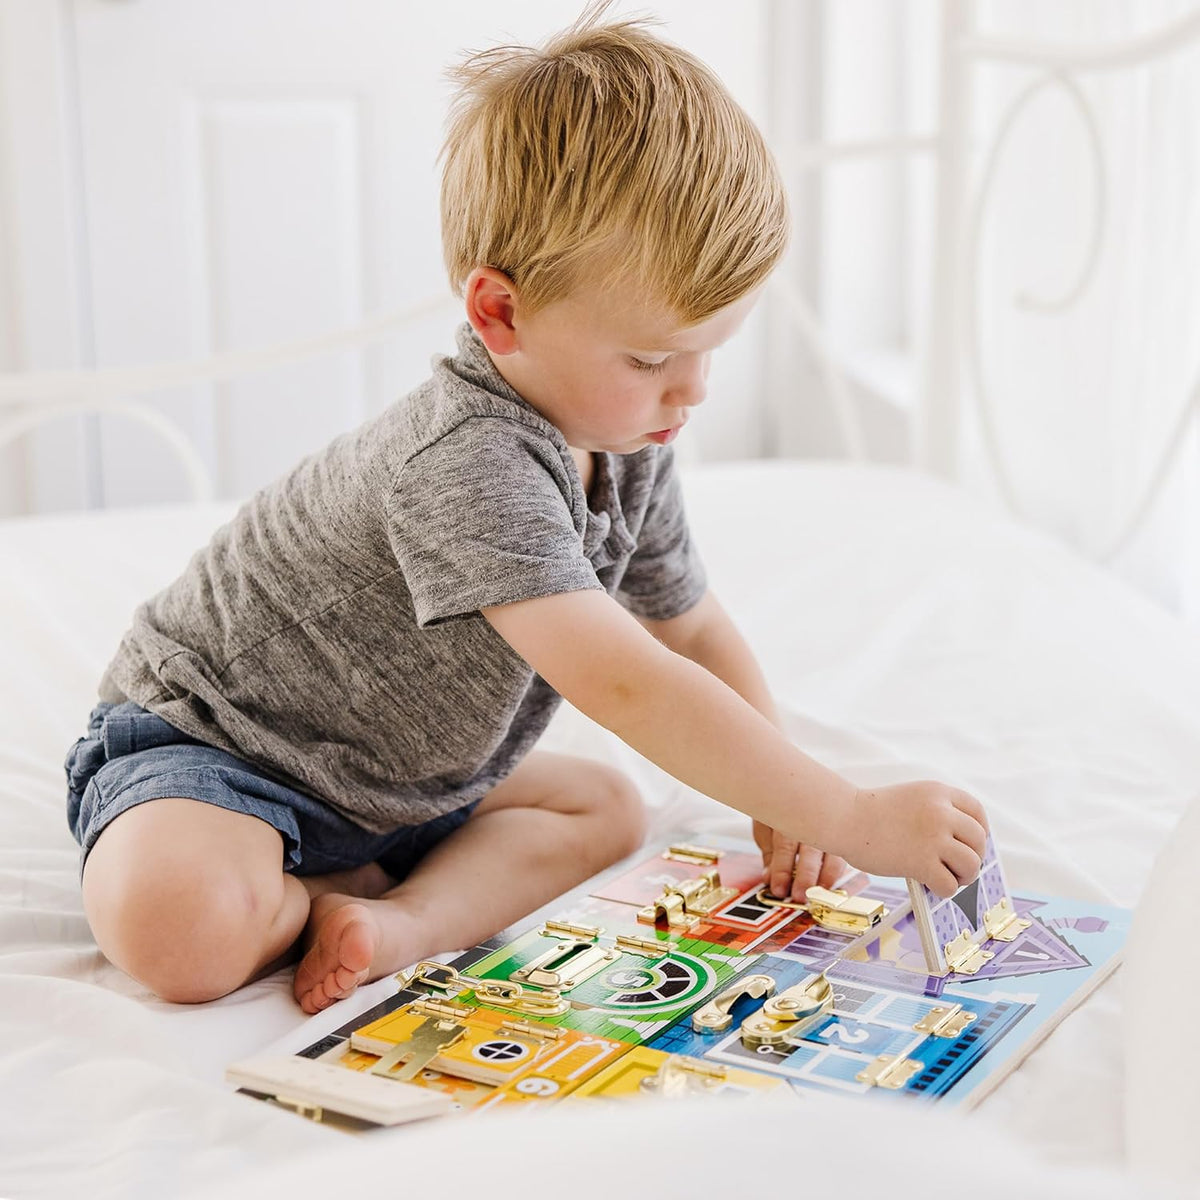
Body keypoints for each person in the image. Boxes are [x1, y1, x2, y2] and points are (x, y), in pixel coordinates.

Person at [64, 4, 988, 1015]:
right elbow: (628, 683)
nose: (693, 393)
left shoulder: (627, 444)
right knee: (176, 930)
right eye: (650, 359)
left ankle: (392, 923)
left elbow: (689, 629)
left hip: (403, 791)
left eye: (708, 350)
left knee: (603, 808)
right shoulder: (466, 458)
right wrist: (847, 810)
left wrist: (786, 798)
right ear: (499, 313)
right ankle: (318, 887)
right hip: (224, 752)